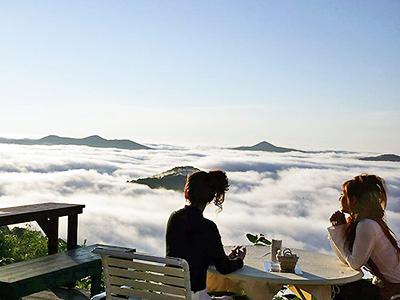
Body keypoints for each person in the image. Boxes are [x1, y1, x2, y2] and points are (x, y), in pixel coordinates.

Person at [166, 170, 246, 300]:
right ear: (210, 197)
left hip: (169, 292)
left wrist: (221, 257)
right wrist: (239, 261)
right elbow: (224, 268)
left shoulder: (174, 218)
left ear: (188, 192)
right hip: (194, 296)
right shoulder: (208, 227)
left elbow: (188, 254)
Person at [328, 174, 400, 300]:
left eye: (343, 195)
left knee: (337, 288)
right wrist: (340, 229)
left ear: (353, 199)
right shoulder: (367, 222)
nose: (340, 198)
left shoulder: (366, 225)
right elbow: (346, 259)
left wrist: (340, 230)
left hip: (393, 291)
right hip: (388, 286)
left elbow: (354, 263)